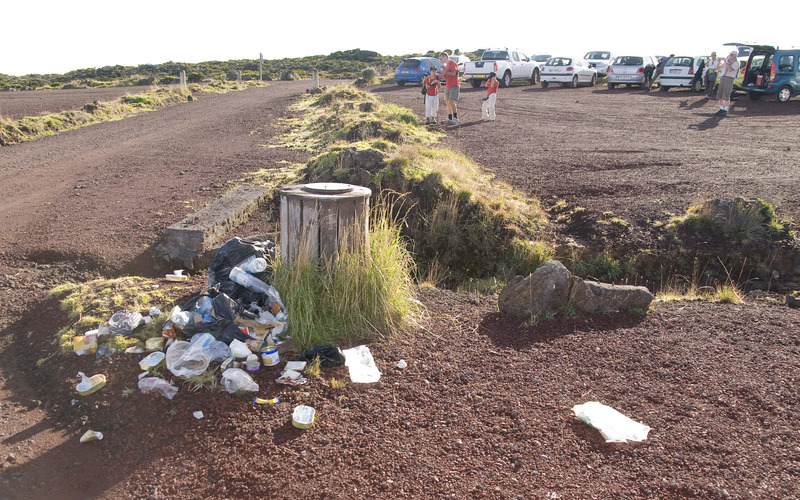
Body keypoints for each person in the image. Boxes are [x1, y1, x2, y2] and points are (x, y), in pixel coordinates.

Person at [438, 52, 461, 124]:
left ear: (445, 57)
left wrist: (444, 72)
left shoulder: (452, 63)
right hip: (448, 85)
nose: (441, 60)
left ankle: (455, 117)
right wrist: (439, 75)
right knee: (447, 101)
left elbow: (453, 73)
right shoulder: (445, 66)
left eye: (441, 58)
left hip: (454, 84)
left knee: (451, 100)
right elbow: (446, 77)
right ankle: (449, 117)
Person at [716, 50, 740, 117]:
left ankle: (725, 110)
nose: (730, 56)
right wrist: (719, 61)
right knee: (720, 94)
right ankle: (721, 109)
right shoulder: (727, 62)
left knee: (726, 94)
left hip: (729, 78)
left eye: (732, 54)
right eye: (730, 54)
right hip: (723, 78)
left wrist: (726, 62)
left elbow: (730, 69)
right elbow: (718, 67)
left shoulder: (736, 62)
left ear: (735, 56)